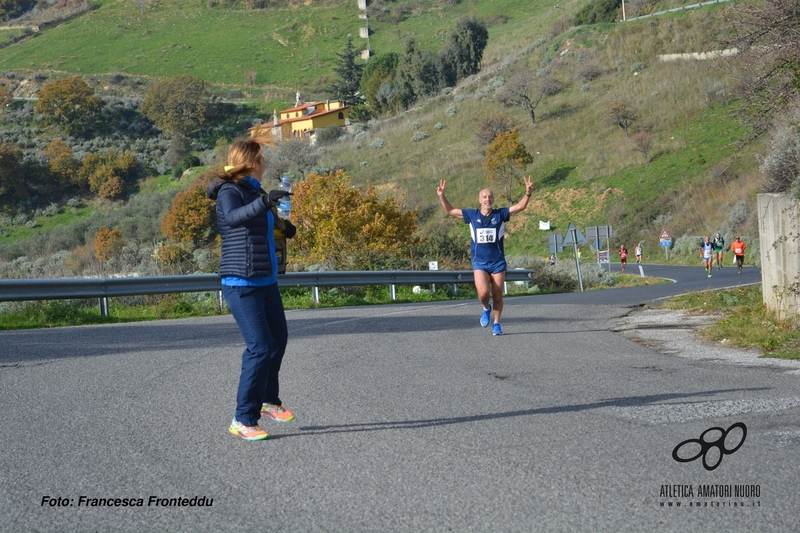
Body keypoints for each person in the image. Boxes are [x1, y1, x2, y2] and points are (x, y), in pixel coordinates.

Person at [207, 135, 295, 441]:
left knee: (278, 340)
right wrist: (264, 203)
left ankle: (269, 401)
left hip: (266, 279)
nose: (264, 164)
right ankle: (243, 419)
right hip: (241, 283)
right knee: (259, 347)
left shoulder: (255, 191)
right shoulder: (227, 191)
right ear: (253, 162)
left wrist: (283, 226)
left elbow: (260, 224)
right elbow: (233, 219)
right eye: (261, 159)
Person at [436, 176, 534, 336]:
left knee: (497, 294)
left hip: (497, 263)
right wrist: (442, 196)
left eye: (490, 196)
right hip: (480, 262)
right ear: (479, 200)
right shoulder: (472, 215)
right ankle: (485, 308)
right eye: (484, 197)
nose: (487, 199)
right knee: (483, 294)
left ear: (493, 199)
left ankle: (497, 323)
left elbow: (520, 207)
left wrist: (528, 193)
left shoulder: (500, 214)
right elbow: (450, 211)